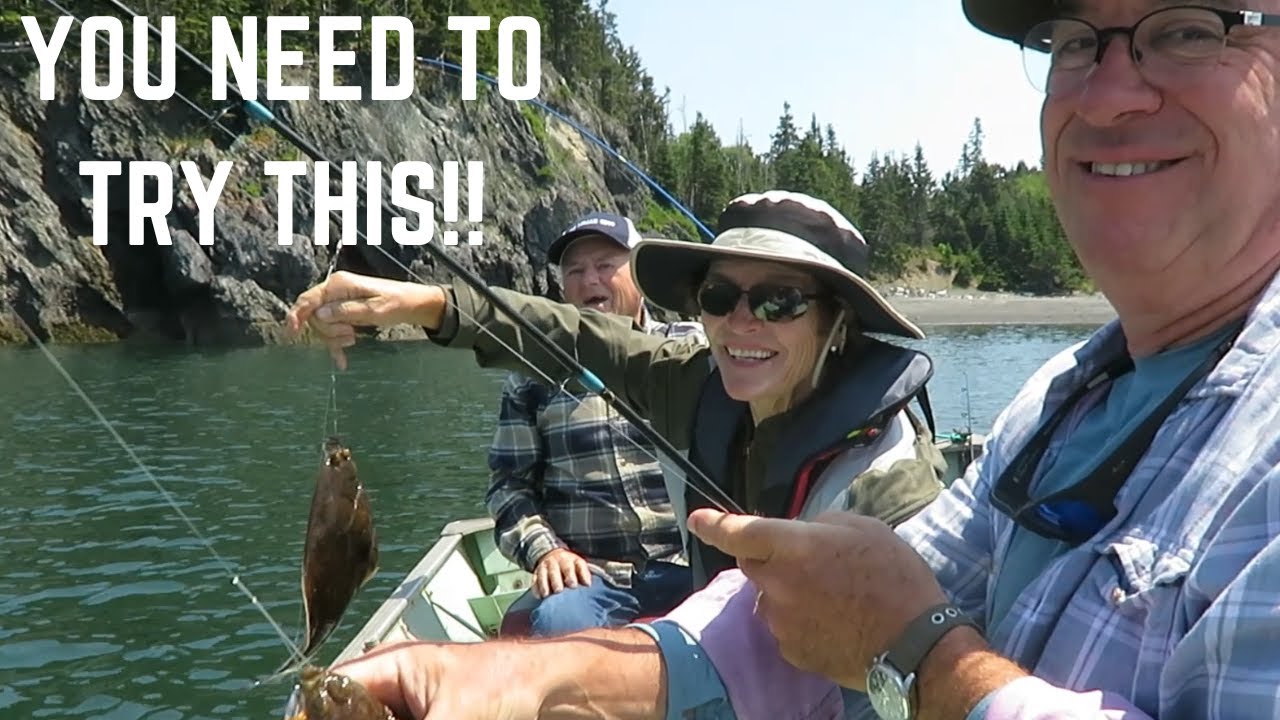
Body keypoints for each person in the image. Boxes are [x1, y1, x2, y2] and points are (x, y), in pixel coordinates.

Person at [289, 1, 1280, 719]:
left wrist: (924, 656)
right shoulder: (1052, 410)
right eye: (1069, 41)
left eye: (1185, 29)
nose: (1107, 93)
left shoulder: (890, 477)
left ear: (837, 324)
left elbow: (868, 627)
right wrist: (516, 676)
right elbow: (786, 623)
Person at [286, 190, 950, 716]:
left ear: (837, 322)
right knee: (560, 622)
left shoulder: (889, 483)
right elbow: (581, 340)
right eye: (720, 296)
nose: (743, 322)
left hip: (830, 683)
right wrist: (426, 304)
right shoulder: (696, 379)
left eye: (779, 300)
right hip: (685, 620)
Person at [486, 211, 705, 636]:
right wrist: (546, 553)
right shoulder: (532, 377)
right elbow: (508, 486)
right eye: (576, 270)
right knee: (557, 623)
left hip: (695, 562)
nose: (590, 281)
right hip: (592, 575)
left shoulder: (691, 348)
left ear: (640, 275)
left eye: (606, 265)